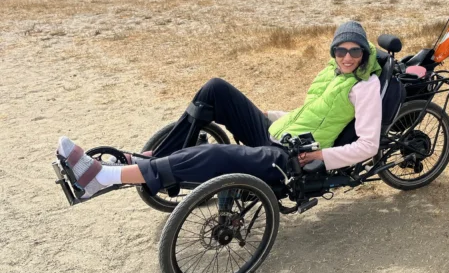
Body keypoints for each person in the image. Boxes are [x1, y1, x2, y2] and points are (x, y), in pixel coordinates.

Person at [55, 22, 383, 200]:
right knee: (216, 88)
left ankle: (102, 177)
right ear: (334, 50)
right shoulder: (333, 72)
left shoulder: (364, 87)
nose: (347, 57)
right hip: (278, 133)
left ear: (364, 52)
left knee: (213, 154)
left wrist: (321, 157)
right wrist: (271, 116)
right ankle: (148, 161)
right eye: (341, 50)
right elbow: (310, 112)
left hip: (294, 161)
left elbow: (369, 146)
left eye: (355, 51)